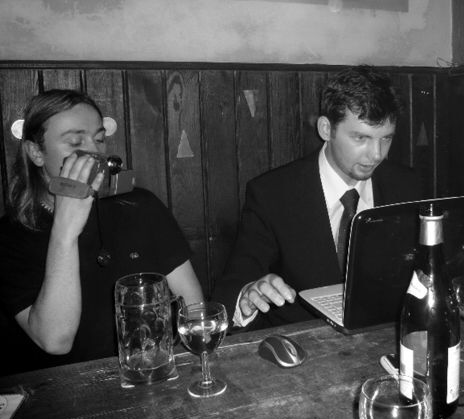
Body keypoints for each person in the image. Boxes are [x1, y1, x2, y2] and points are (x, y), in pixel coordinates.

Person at [0, 89, 204, 374]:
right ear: (36, 152)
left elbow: (193, 306)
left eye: (98, 139)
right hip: (62, 389)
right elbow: (55, 341)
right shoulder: (10, 236)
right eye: (75, 142)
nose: (94, 152)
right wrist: (64, 232)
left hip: (154, 373)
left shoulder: (139, 206)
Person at [217, 65, 424, 330]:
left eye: (386, 139)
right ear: (326, 129)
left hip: (387, 335)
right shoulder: (273, 194)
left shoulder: (406, 186)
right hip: (304, 343)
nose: (376, 154)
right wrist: (248, 295)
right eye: (361, 138)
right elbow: (234, 285)